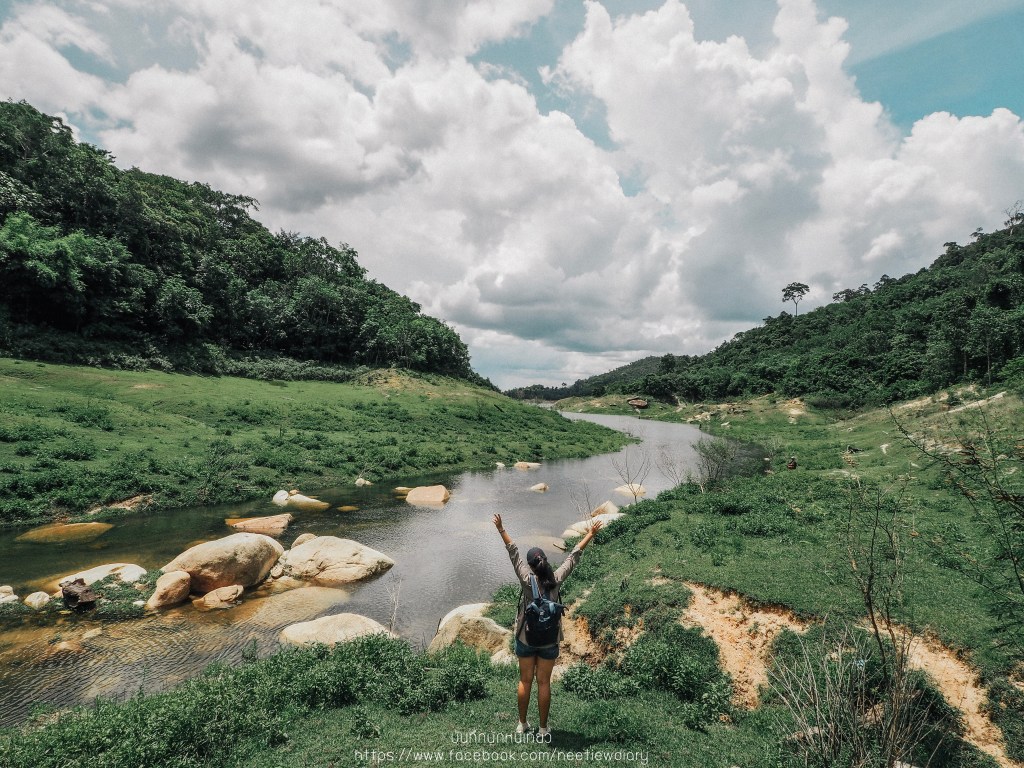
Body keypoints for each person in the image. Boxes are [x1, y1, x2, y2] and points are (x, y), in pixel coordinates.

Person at [492, 513, 603, 741]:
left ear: (531, 566)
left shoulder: (526, 579)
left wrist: (501, 529)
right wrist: (590, 534)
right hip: (549, 640)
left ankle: (522, 724)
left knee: (525, 681)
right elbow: (573, 556)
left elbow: (513, 552)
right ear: (545, 562)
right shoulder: (557, 578)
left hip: (526, 637)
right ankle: (543, 730)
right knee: (544, 682)